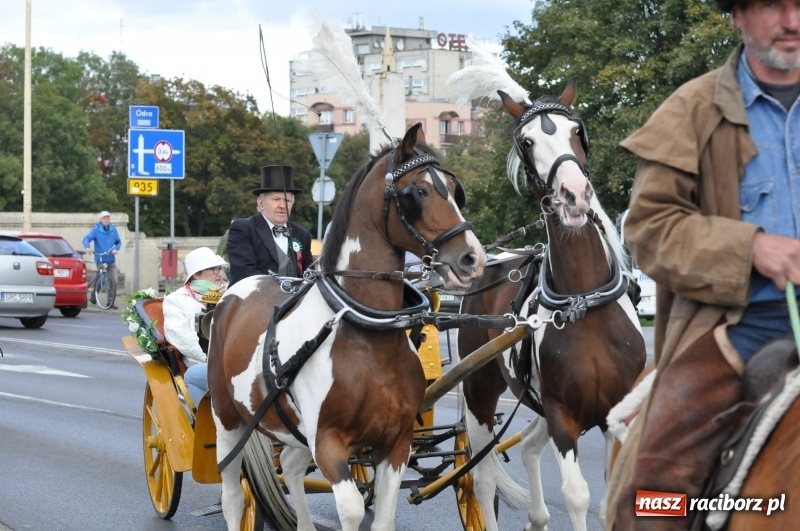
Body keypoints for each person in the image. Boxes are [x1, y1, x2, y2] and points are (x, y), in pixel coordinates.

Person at [610, 0, 800, 528]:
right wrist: (751, 248)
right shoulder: (690, 111)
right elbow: (650, 228)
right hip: (740, 329)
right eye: (772, 5)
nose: (793, 21)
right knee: (651, 496)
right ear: (737, 14)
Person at [163, 247, 228, 408]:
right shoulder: (176, 300)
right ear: (196, 274)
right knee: (192, 375)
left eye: (220, 268)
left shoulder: (232, 293)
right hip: (204, 362)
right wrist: (215, 359)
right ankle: (208, 423)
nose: (219, 273)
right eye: (213, 269)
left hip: (237, 360)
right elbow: (182, 339)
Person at [227, 165, 313, 285]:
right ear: (261, 203)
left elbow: (309, 274)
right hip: (254, 299)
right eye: (276, 199)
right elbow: (244, 273)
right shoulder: (243, 229)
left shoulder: (302, 234)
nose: (282, 205)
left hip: (297, 301)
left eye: (287, 200)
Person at [82, 210, 122, 309]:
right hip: (100, 258)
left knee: (114, 281)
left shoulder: (113, 229)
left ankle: (110, 302)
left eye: (108, 218)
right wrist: (87, 247)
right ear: (100, 220)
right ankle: (94, 294)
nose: (107, 220)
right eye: (104, 218)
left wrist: (116, 249)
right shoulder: (96, 230)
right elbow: (86, 239)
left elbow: (118, 242)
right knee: (103, 280)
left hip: (111, 259)